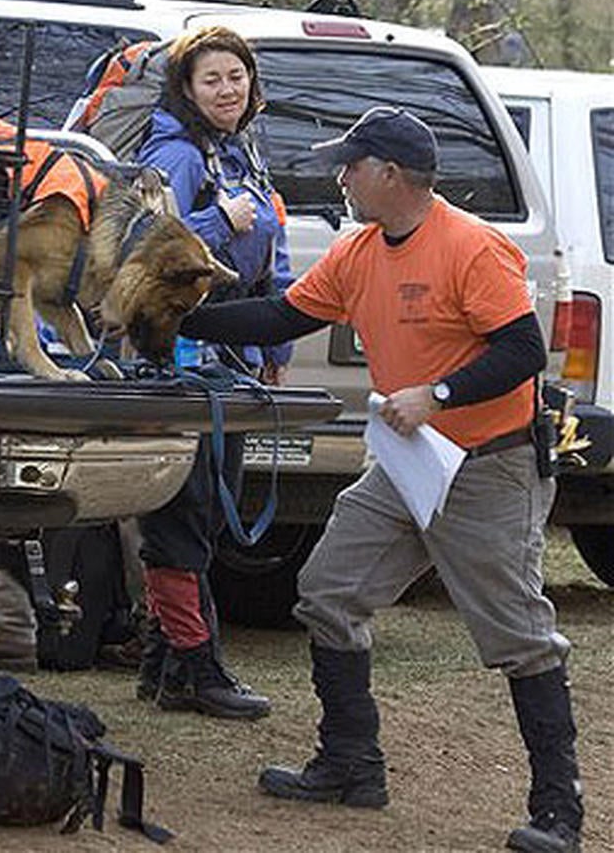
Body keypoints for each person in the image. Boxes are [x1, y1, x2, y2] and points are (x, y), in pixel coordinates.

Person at [179, 106, 584, 852]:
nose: (339, 176)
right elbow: (277, 317)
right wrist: (172, 318)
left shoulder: (470, 247)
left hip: (487, 468)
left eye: (350, 164)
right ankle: (349, 766)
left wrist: (436, 394)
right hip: (406, 462)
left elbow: (523, 350)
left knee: (519, 637)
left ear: (389, 175)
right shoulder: (360, 249)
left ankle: (558, 812)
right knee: (328, 592)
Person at [131, 24, 291, 719]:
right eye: (212, 80)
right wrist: (220, 221)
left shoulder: (242, 153)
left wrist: (275, 348)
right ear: (186, 90)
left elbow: (273, 247)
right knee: (185, 513)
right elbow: (146, 250)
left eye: (236, 77)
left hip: (234, 360)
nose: (228, 90)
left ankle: (164, 665)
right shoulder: (173, 155)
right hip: (180, 360)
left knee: (208, 515)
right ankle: (194, 668)